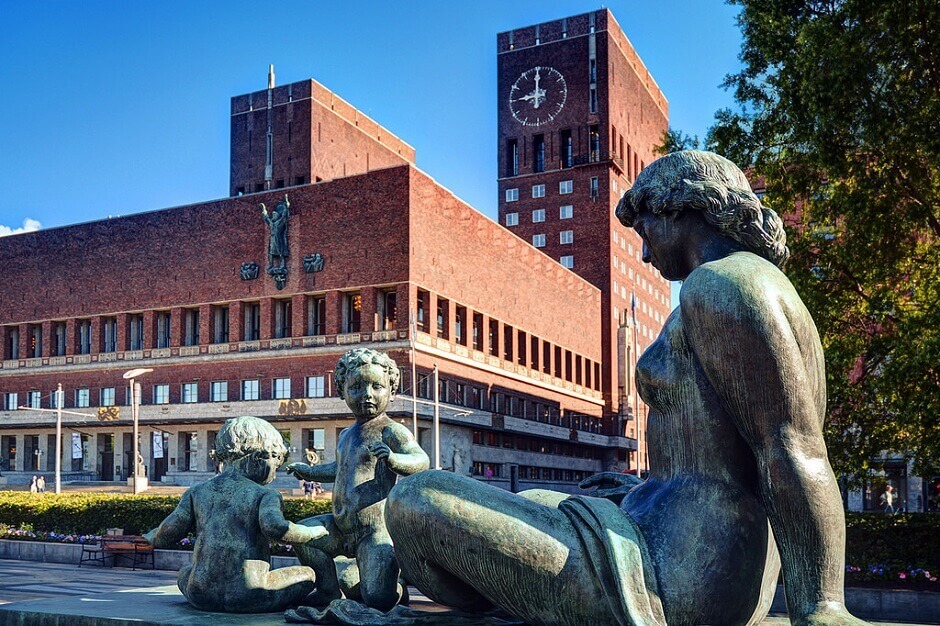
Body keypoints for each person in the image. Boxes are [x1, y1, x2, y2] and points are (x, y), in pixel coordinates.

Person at [385, 151, 868, 626]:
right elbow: (728, 453)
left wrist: (822, 607)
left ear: (679, 210)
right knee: (536, 501)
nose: (643, 251)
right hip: (680, 549)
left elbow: (793, 449)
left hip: (674, 582)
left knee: (417, 499)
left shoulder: (722, 286)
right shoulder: (748, 286)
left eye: (646, 230)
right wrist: (643, 488)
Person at [286, 348, 429, 611]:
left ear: (391, 391)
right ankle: (329, 589)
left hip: (373, 531)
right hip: (340, 528)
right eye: (357, 387)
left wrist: (393, 460)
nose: (367, 395)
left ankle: (395, 587)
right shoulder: (346, 435)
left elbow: (421, 460)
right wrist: (306, 471)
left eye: (377, 386)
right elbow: (337, 469)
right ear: (343, 392)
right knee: (301, 535)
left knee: (378, 599)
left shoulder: (391, 431)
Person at [143, 415, 326, 613]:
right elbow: (276, 528)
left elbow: (168, 532)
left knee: (185, 573)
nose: (275, 472)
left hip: (200, 594)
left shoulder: (197, 492)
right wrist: (311, 532)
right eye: (276, 463)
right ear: (259, 458)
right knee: (309, 574)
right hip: (251, 594)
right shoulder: (265, 494)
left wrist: (152, 535)